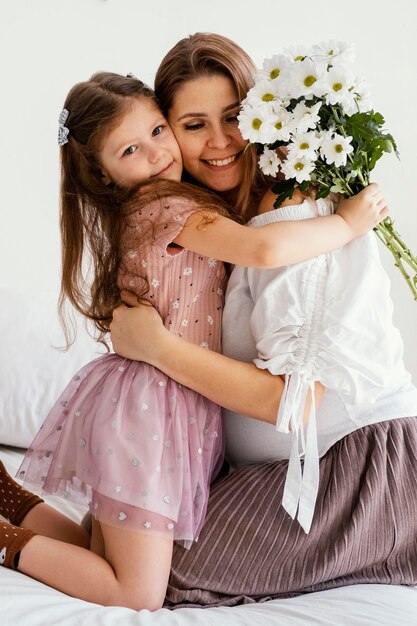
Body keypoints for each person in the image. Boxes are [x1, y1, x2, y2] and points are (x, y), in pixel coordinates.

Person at [0, 70, 380, 610]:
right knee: (136, 591)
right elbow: (261, 250)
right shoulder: (169, 208)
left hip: (149, 403)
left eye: (158, 131)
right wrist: (347, 223)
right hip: (153, 409)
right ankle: (7, 543)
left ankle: (14, 502)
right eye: (131, 149)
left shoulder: (147, 208)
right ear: (104, 175)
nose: (157, 153)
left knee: (101, 551)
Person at [107, 33, 417, 606]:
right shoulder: (218, 226)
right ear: (168, 131)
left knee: (157, 573)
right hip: (287, 469)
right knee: (132, 538)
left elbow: (296, 404)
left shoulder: (285, 215)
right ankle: (23, 512)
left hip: (352, 472)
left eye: (234, 118)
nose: (221, 142)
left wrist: (156, 348)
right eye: (194, 124)